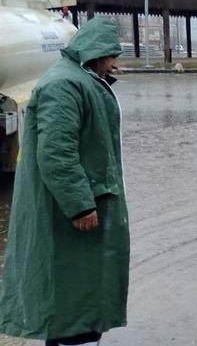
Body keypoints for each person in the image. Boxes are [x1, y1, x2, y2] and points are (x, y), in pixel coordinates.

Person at [0, 17, 130, 345]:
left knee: (78, 294)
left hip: (78, 209)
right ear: (98, 52)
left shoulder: (78, 79)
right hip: (67, 215)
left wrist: (102, 80)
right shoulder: (64, 85)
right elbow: (56, 154)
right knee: (73, 295)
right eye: (113, 56)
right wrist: (80, 205)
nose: (115, 63)